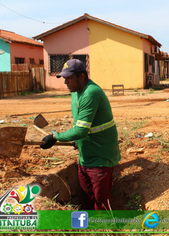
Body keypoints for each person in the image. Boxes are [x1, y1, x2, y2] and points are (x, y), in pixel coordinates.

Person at [40, 59, 121, 210]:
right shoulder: (76, 92)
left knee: (101, 201)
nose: (66, 82)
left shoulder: (91, 93)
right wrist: (78, 141)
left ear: (81, 77)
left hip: (100, 156)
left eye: (69, 78)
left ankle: (106, 229)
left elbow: (81, 130)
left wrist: (54, 137)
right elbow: (80, 123)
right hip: (86, 155)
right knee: (88, 197)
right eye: (64, 79)